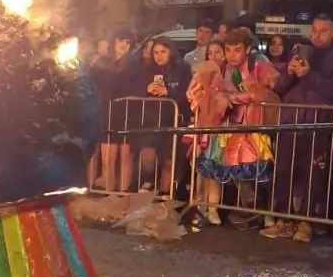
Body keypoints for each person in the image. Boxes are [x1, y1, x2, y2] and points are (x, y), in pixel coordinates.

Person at [264, 13, 333, 242]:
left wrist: (308, 75)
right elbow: (280, 88)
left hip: (319, 120)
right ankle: (283, 219)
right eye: (314, 30)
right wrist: (290, 73)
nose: (317, 35)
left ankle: (306, 222)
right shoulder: (299, 51)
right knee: (283, 170)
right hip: (291, 119)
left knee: (314, 173)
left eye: (323, 31)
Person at [188, 28, 280, 225]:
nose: (231, 55)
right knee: (231, 172)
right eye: (228, 50)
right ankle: (244, 212)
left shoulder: (259, 65)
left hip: (253, 126)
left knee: (257, 172)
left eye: (237, 50)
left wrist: (231, 97)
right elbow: (212, 93)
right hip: (227, 126)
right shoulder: (221, 68)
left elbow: (263, 94)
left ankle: (266, 213)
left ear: (247, 50)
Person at [138, 36, 190, 193]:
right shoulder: (147, 70)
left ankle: (165, 196)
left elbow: (187, 94)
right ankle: (149, 182)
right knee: (148, 158)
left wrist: (169, 92)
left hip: (173, 121)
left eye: (163, 52)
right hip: (151, 121)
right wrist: (146, 89)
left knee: (169, 161)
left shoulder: (183, 69)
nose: (159, 56)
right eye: (155, 52)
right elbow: (133, 90)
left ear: (171, 52)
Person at [91, 30, 137, 192]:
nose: (124, 44)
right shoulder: (102, 62)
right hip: (106, 113)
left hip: (126, 114)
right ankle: (108, 194)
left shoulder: (134, 64)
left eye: (128, 42)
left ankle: (123, 194)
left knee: (125, 157)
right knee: (107, 159)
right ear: (114, 42)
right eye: (120, 40)